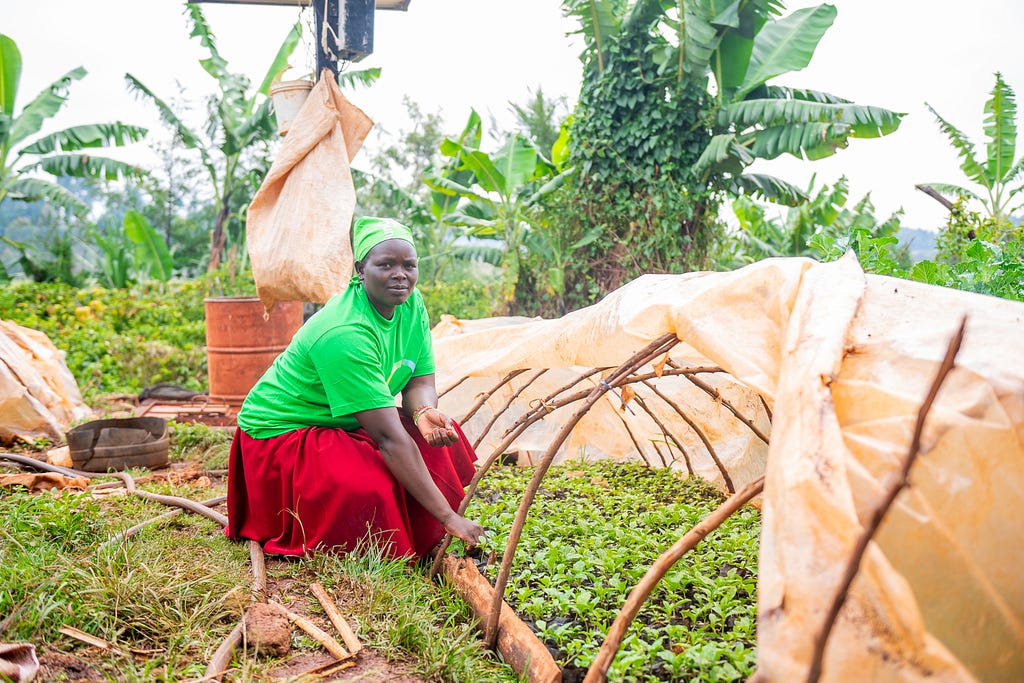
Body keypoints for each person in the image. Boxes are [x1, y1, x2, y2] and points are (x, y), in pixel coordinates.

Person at [225, 216, 485, 560]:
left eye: (409, 265)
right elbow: (389, 440)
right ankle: (417, 532)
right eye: (386, 265)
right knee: (367, 485)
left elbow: (420, 380)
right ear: (361, 270)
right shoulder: (343, 332)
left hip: (342, 418)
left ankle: (420, 528)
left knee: (438, 441)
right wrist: (449, 517)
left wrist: (422, 412)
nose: (400, 274)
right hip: (284, 432)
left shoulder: (411, 304)